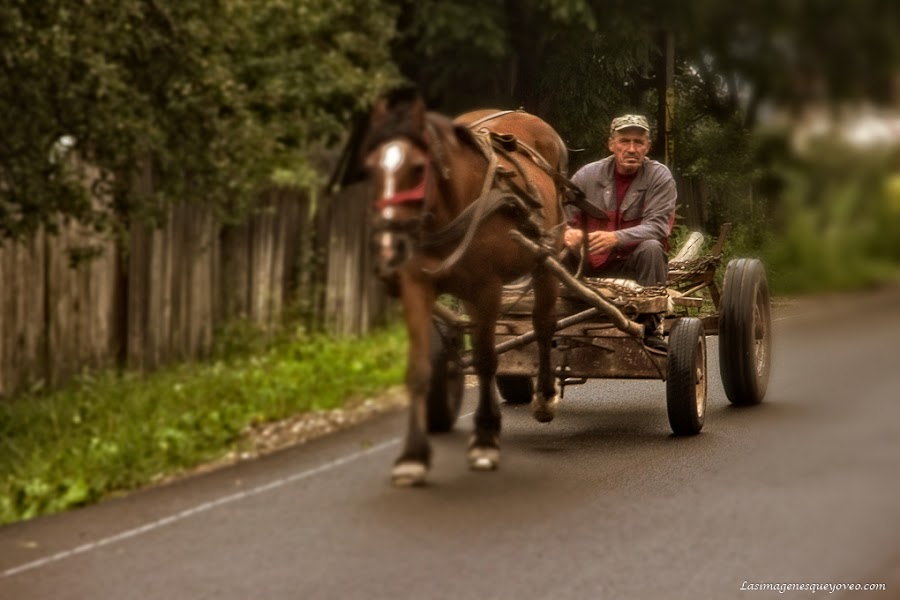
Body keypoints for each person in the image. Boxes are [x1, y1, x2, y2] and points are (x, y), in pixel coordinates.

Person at [563, 114, 676, 350]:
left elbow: (658, 226)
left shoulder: (659, 176)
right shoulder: (587, 175)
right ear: (612, 145)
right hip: (587, 260)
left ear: (647, 146)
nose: (631, 149)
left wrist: (615, 238)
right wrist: (566, 232)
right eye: (624, 141)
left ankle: (649, 328)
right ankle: (552, 320)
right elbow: (558, 214)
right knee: (550, 248)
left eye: (638, 142)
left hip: (631, 265)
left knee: (652, 247)